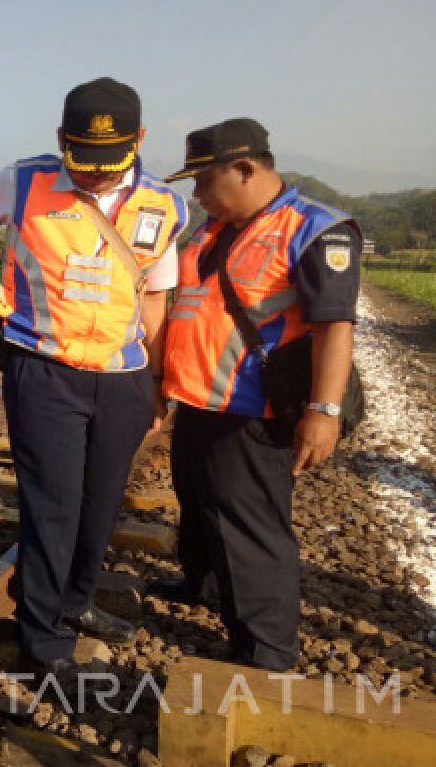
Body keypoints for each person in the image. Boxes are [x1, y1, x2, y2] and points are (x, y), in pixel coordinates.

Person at [0, 78, 188, 670]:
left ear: (140, 140)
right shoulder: (23, 180)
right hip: (43, 367)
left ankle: (75, 600)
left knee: (101, 503)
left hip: (123, 375)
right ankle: (41, 634)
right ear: (61, 140)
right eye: (83, 161)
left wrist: (159, 381)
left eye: (110, 163)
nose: (97, 176)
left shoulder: (164, 204)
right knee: (52, 504)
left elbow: (156, 299)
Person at [155, 118, 361, 670]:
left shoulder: (316, 228)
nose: (196, 194)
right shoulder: (212, 230)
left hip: (251, 410)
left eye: (203, 180)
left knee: (249, 528)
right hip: (199, 402)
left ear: (244, 169)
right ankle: (204, 589)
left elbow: (335, 327)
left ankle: (267, 649)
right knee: (198, 508)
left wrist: (323, 411)